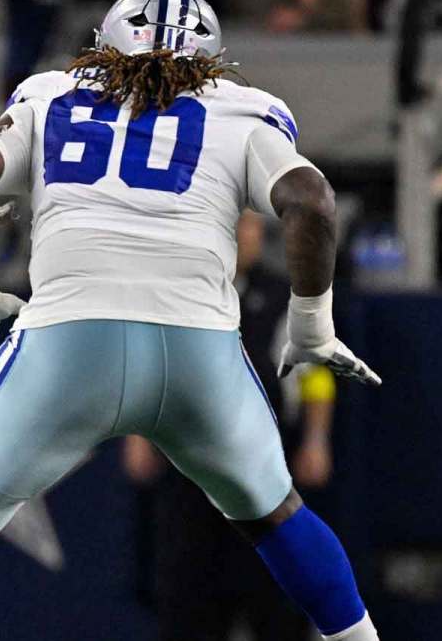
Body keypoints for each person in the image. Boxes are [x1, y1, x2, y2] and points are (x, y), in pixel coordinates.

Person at [0, 0, 382, 641]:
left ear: (105, 46)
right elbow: (312, 200)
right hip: (199, 353)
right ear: (212, 60)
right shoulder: (244, 111)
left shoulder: (50, 95)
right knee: (280, 518)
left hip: (69, 346)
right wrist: (311, 325)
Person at [122, 210, 340, 641]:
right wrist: (137, 434)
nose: (246, 236)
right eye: (238, 226)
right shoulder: (175, 295)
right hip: (189, 472)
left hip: (263, 472)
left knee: (273, 599)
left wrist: (317, 440)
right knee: (188, 595)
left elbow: (315, 375)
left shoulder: (285, 299)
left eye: (252, 227)